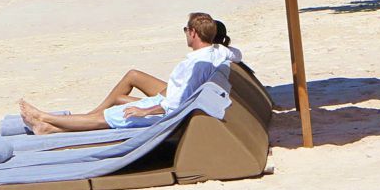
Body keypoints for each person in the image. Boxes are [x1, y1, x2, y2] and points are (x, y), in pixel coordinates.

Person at [19, 12, 240, 134]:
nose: (185, 34)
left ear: (193, 33)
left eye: (185, 30)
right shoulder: (215, 54)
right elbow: (235, 54)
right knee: (107, 114)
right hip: (166, 106)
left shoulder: (195, 66)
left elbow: (176, 104)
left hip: (165, 114)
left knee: (103, 118)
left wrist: (145, 112)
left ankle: (44, 118)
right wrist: (219, 46)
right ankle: (47, 127)